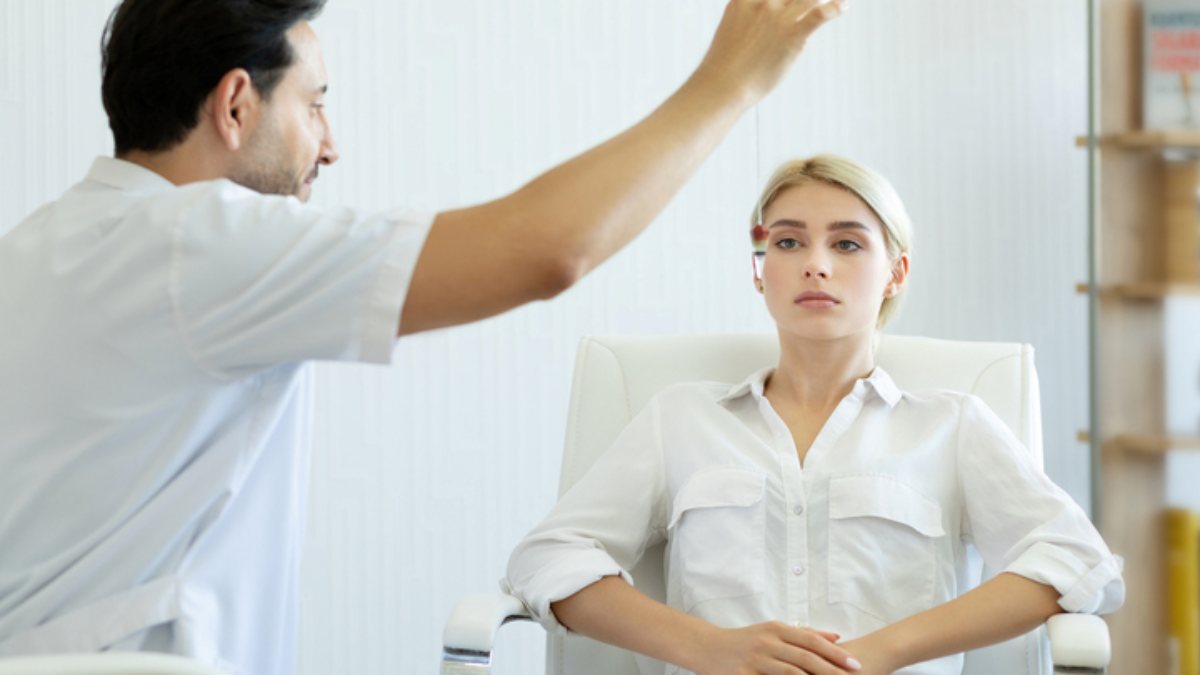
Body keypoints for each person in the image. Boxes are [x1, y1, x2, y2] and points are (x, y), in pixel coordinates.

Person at [0, 1, 849, 673]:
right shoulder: (195, 245)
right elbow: (548, 249)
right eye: (314, 104)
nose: (330, 146)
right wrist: (732, 79)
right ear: (234, 104)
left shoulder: (38, 248)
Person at [504, 155, 1124, 675]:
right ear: (759, 270)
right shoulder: (680, 418)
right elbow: (547, 557)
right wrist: (708, 647)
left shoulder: (952, 427)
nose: (816, 264)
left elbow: (1077, 559)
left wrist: (879, 652)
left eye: (847, 243)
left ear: (895, 273)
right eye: (787, 242)